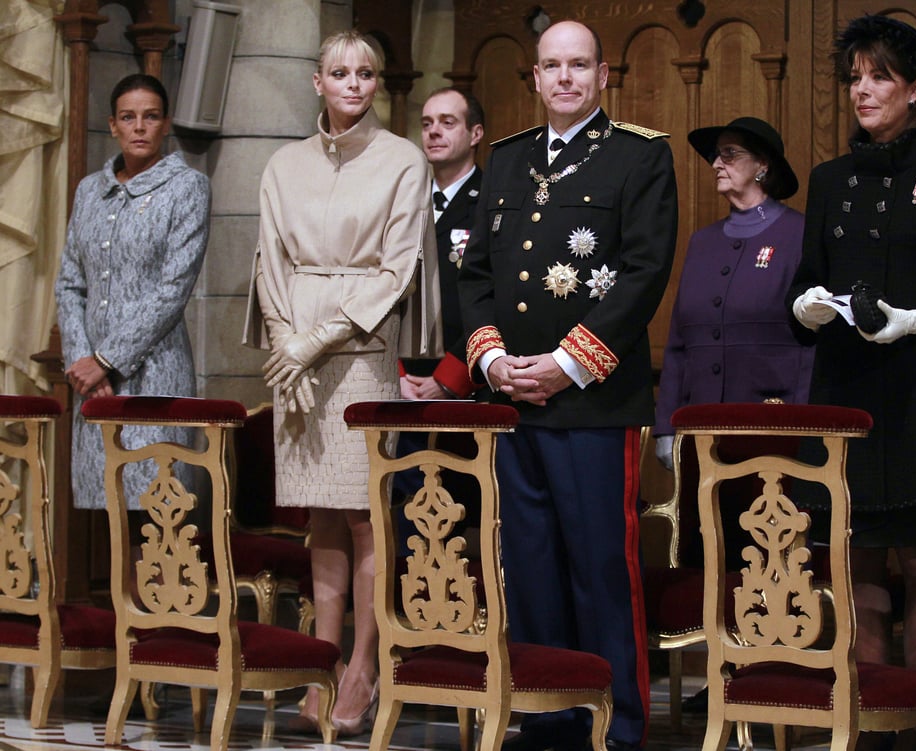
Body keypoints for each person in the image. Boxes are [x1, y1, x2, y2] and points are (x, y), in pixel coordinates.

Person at [458, 20, 678, 751]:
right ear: (535, 77)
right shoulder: (509, 160)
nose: (564, 79)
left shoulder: (638, 158)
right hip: (514, 402)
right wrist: (493, 363)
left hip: (591, 401)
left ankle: (616, 724)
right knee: (530, 566)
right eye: (551, 66)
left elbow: (644, 273)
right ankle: (548, 715)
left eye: (578, 66)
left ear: (603, 75)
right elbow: (479, 277)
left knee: (598, 567)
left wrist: (566, 362)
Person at [243, 30, 441, 735]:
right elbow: (268, 259)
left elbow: (398, 269)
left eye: (365, 73)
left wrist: (318, 339)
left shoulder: (402, 160)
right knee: (317, 510)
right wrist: (284, 342)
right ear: (316, 81)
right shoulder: (282, 164)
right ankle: (323, 659)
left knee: (362, 511)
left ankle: (365, 662)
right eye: (339, 72)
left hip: (361, 346)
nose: (353, 84)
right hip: (294, 349)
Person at [789, 14, 916, 686]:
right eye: (855, 77)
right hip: (846, 392)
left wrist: (909, 321)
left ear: (914, 91)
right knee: (859, 557)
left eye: (879, 76)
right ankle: (873, 725)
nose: (861, 90)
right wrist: (810, 306)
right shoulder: (828, 179)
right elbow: (801, 288)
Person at [55, 73, 210, 511]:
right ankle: (120, 586)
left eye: (151, 116)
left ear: (165, 124)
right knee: (107, 508)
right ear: (113, 125)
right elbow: (70, 283)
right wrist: (81, 360)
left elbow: (173, 289)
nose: (139, 127)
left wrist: (106, 360)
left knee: (156, 511)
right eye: (129, 117)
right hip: (92, 383)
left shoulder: (188, 188)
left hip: (155, 376)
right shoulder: (90, 191)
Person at [654, 116, 812, 468]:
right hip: (701, 427)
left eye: (729, 154)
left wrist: (805, 421)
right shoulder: (702, 242)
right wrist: (665, 426)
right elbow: (679, 342)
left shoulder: (799, 234)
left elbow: (812, 344)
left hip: (773, 427)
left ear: (762, 165)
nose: (715, 164)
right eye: (715, 155)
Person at [400, 86, 484, 400]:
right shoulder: (404, 200)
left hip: (465, 380)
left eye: (447, 123)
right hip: (403, 377)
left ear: (475, 134)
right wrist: (395, 372)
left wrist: (452, 377)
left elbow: (499, 298)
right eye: (426, 123)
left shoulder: (493, 203)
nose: (434, 131)